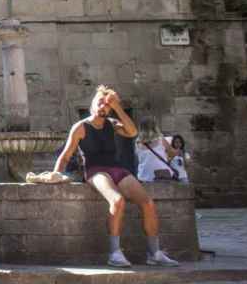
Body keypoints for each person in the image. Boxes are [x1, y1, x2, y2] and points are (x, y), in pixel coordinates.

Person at [50, 86, 179, 268]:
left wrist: (117, 107)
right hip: (96, 171)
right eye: (100, 102)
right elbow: (65, 155)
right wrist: (56, 174)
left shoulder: (112, 123)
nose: (103, 106)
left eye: (107, 104)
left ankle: (154, 253)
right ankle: (115, 253)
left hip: (117, 169)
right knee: (117, 201)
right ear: (92, 105)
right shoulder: (80, 127)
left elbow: (133, 132)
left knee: (147, 203)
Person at [136, 118, 179, 183]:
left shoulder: (137, 142)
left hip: (143, 176)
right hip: (161, 175)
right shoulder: (160, 139)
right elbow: (172, 153)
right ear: (154, 127)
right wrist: (177, 151)